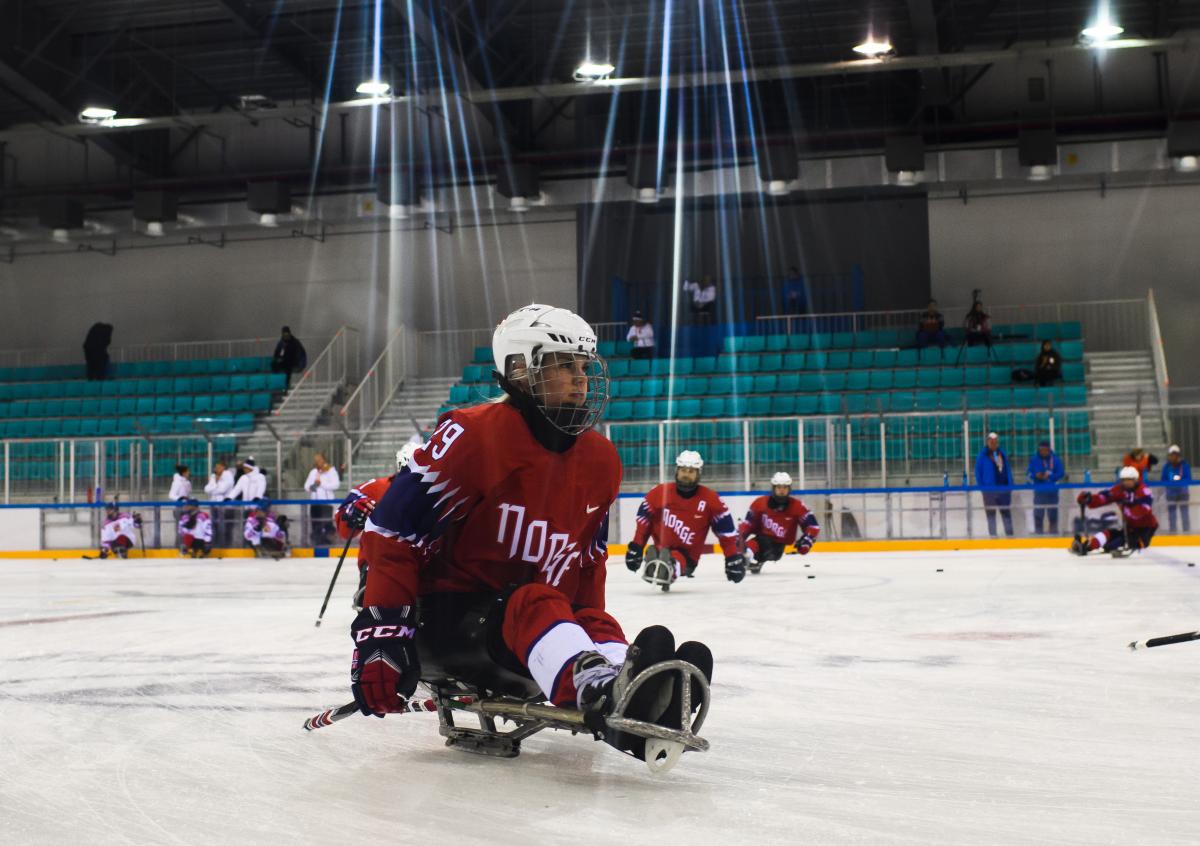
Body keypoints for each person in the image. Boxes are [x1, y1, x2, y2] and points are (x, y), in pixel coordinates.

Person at [354, 304, 712, 763]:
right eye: (564, 364)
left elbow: (586, 566)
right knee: (536, 602)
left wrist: (592, 632)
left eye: (583, 365)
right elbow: (393, 532)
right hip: (447, 622)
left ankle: (634, 694)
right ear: (520, 368)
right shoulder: (472, 435)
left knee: (584, 615)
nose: (581, 377)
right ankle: (599, 690)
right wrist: (382, 635)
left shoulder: (601, 459)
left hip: (527, 631)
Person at [625, 450, 745, 589]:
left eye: (691, 471)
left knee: (675, 558)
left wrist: (732, 558)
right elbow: (643, 522)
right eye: (683, 470)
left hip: (688, 556)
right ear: (677, 470)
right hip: (661, 548)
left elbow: (726, 533)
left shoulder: (711, 500)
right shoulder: (658, 493)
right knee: (661, 552)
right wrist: (636, 547)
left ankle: (668, 567)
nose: (686, 474)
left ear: (698, 473)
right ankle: (659, 563)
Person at [335, 444, 420, 611]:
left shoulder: (439, 488)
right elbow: (343, 526)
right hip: (378, 562)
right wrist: (354, 513)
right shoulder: (374, 488)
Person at [737, 472, 820, 574]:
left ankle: (749, 556)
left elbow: (813, 526)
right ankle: (750, 557)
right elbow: (748, 524)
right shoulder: (759, 503)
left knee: (763, 541)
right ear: (773, 488)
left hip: (778, 547)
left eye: (785, 487)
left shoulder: (797, 506)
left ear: (789, 489)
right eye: (779, 487)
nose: (782, 490)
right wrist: (739, 538)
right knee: (761, 540)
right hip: (762, 540)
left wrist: (807, 541)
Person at [1072, 466, 1158, 555]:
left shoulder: (1144, 490)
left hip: (1146, 528)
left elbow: (1144, 509)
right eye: (1124, 480)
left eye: (1129, 480)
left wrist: (1128, 508)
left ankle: (1115, 545)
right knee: (1108, 534)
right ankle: (1088, 546)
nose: (1126, 482)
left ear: (1136, 480)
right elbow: (1104, 497)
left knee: (1127, 543)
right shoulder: (1119, 490)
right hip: (1130, 527)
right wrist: (1089, 500)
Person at [974, 432, 1014, 536]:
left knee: (1006, 514)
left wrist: (1010, 484)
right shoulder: (982, 456)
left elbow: (1008, 469)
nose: (993, 444)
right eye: (991, 442)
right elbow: (978, 473)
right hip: (989, 491)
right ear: (987, 442)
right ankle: (993, 538)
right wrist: (984, 489)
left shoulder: (1002, 454)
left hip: (1004, 490)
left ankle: (1010, 537)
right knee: (991, 516)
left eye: (995, 442)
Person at [1026, 441, 1065, 534]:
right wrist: (1036, 475)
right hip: (1039, 492)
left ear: (1048, 449)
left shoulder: (1055, 460)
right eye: (1041, 450)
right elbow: (1028, 473)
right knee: (1038, 515)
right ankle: (1038, 535)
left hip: (1052, 492)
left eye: (1045, 450)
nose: (1043, 452)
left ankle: (1053, 535)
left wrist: (1050, 476)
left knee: (1053, 515)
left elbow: (1061, 473)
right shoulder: (1034, 460)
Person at [304, 452, 341, 545]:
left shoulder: (331, 471)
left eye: (319, 459)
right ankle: (317, 543)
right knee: (315, 524)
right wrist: (313, 486)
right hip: (315, 503)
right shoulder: (313, 472)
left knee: (327, 524)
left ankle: (329, 542)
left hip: (326, 503)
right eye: (316, 460)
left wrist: (322, 484)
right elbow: (306, 486)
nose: (317, 462)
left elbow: (336, 485)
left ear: (324, 459)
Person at [1160, 445, 1192, 533]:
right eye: (1171, 455)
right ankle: (1173, 532)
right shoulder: (1166, 467)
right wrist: (1171, 483)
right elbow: (1163, 480)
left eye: (1175, 455)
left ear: (1178, 456)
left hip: (1183, 493)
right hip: (1171, 494)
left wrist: (1180, 480)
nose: (1173, 457)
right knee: (1172, 515)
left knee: (1184, 514)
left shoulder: (1185, 466)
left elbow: (1189, 479)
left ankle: (1187, 532)